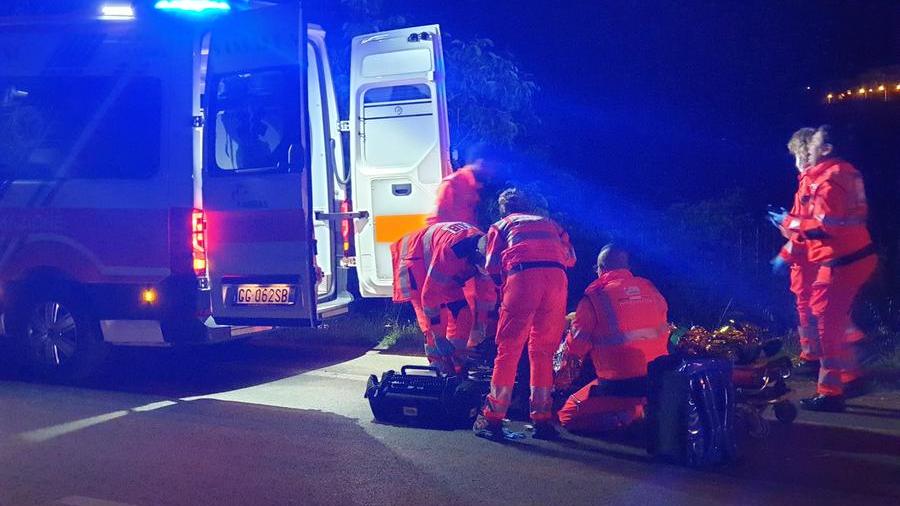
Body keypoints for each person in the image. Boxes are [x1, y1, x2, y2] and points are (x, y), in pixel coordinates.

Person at [772, 125, 876, 412]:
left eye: (814, 145)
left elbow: (824, 227)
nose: (808, 151)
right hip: (851, 257)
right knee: (830, 318)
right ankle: (851, 376)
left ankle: (831, 393)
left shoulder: (827, 180)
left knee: (828, 325)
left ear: (826, 149)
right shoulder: (844, 173)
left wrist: (789, 224)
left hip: (840, 260)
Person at [473, 188, 576, 440]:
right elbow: (570, 259)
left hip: (523, 279)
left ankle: (493, 417)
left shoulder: (501, 225)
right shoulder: (552, 225)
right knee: (542, 352)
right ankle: (541, 419)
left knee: (508, 350)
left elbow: (491, 265)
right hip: (557, 281)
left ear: (505, 209)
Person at [554, 245, 669, 433]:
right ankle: (642, 406)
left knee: (566, 415)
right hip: (656, 378)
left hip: (618, 383)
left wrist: (558, 381)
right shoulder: (650, 289)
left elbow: (574, 349)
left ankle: (629, 414)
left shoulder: (595, 298)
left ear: (601, 268)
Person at [391, 221, 496, 374]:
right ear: (475, 255)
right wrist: (439, 337)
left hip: (439, 264)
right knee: (432, 316)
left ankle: (455, 361)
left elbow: (486, 297)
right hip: (416, 260)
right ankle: (437, 364)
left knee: (463, 313)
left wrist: (483, 332)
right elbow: (429, 296)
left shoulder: (486, 250)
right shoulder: (452, 251)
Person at [425, 144, 500, 227]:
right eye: (493, 164)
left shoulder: (479, 185)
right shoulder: (453, 183)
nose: (494, 170)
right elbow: (435, 219)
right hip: (455, 237)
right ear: (482, 162)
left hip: (471, 235)